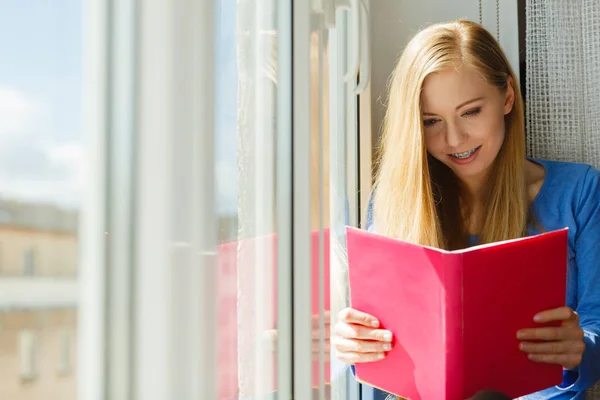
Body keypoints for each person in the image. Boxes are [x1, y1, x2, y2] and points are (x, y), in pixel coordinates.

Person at [332, 19, 600, 399]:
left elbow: (596, 326)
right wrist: (353, 348)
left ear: (507, 96)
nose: (454, 139)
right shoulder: (395, 201)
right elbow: (377, 352)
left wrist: (579, 350)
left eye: (471, 112)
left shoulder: (579, 193)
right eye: (431, 121)